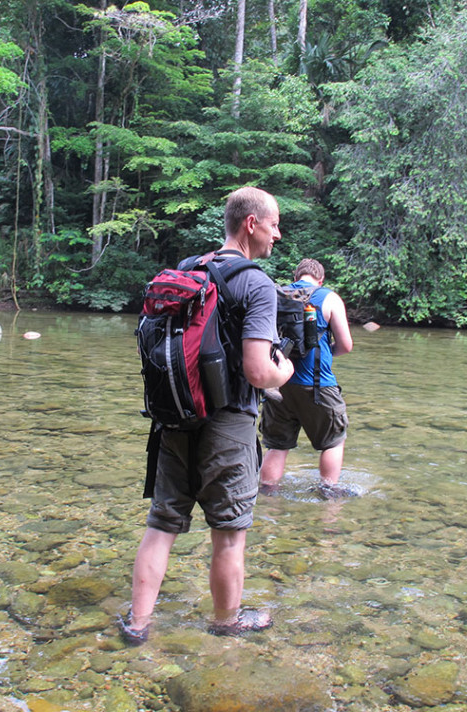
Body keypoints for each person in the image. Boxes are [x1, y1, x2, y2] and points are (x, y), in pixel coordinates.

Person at [119, 186, 295, 645]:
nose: (278, 236)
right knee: (229, 535)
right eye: (274, 224)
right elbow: (259, 371)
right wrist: (287, 368)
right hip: (228, 424)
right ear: (251, 224)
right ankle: (225, 623)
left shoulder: (185, 271)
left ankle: (137, 625)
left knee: (160, 527)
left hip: (172, 421)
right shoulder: (255, 283)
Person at [259, 258, 353, 499]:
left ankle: (268, 496)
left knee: (278, 445)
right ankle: (328, 493)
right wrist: (328, 352)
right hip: (317, 384)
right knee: (334, 440)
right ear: (321, 280)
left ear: (295, 276)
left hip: (278, 383)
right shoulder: (329, 298)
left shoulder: (277, 295)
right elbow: (346, 345)